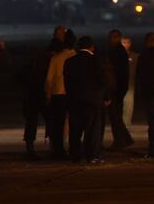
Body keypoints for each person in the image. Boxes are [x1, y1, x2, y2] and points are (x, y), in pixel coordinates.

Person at [64, 36, 110, 164]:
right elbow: (103, 81)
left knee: (75, 130)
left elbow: (67, 82)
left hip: (74, 100)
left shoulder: (69, 62)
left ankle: (75, 155)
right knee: (93, 130)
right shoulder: (96, 60)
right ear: (92, 47)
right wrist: (106, 97)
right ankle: (92, 155)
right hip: (93, 100)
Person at [45, 29, 77, 158]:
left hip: (57, 94)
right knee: (73, 123)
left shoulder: (56, 58)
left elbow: (49, 79)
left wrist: (48, 94)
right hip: (72, 94)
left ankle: (58, 149)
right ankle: (72, 148)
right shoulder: (75, 56)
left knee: (57, 124)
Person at [105, 29, 134, 151]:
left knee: (115, 116)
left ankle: (121, 140)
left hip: (116, 88)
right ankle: (125, 139)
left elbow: (115, 72)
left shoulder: (116, 52)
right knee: (116, 116)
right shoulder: (120, 51)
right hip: (120, 87)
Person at [121, 35, 137, 128]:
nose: (126, 45)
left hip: (130, 85)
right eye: (124, 42)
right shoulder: (116, 56)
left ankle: (126, 126)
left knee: (129, 107)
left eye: (128, 42)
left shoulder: (135, 56)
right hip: (120, 85)